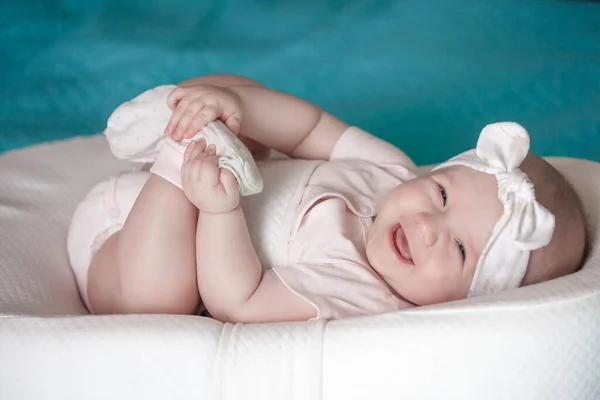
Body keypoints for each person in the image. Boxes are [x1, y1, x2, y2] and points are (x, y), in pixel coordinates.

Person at [67, 74, 587, 323]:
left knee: (161, 303)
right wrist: (236, 105)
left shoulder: (363, 296)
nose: (428, 224)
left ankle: (179, 148)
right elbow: (311, 126)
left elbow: (238, 299)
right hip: (175, 194)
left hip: (120, 252)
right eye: (442, 192)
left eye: (459, 251)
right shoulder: (390, 169)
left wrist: (221, 210)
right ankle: (198, 111)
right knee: (254, 122)